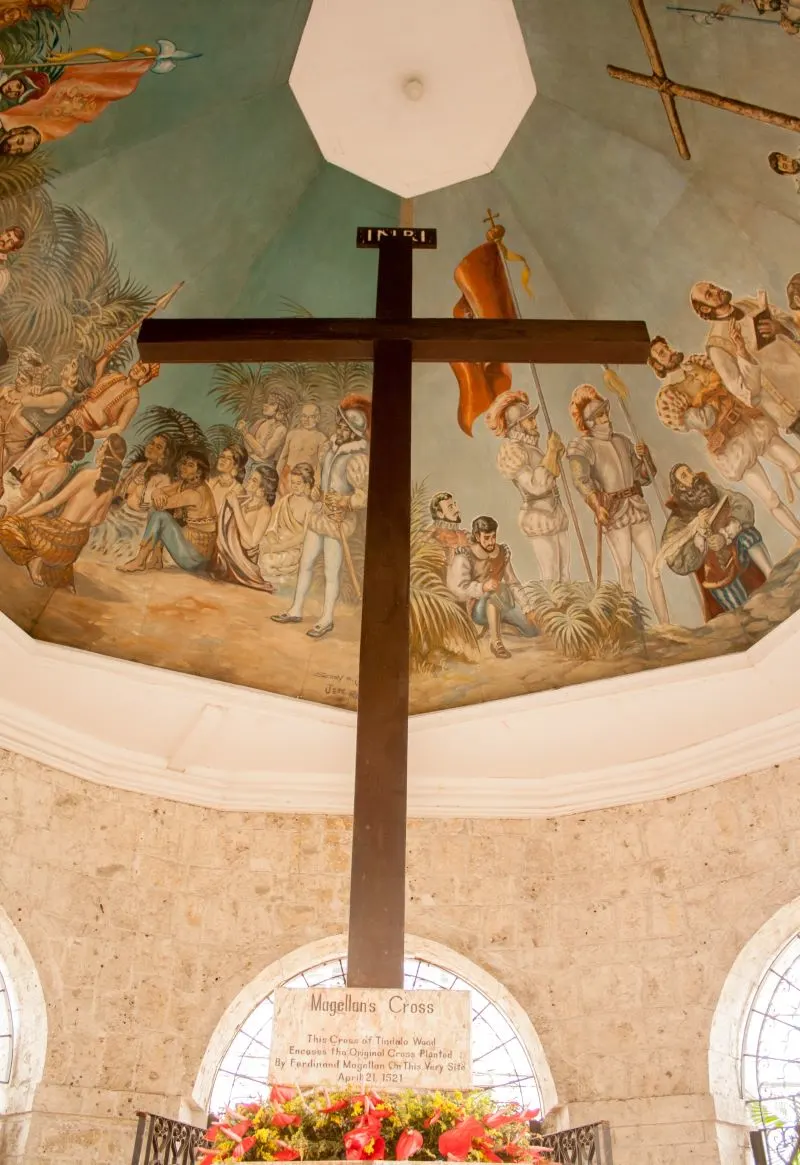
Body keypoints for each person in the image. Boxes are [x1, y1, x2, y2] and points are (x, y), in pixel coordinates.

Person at [650, 336, 800, 540]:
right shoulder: (669, 397)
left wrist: (710, 392)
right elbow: (704, 420)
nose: (667, 352)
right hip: (729, 445)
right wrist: (714, 392)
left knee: (795, 463)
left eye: (665, 347)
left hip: (750, 423)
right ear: (657, 365)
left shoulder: (697, 362)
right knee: (770, 498)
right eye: (661, 353)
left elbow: (728, 382)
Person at [567, 383, 670, 624]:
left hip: (636, 505)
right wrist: (596, 505)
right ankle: (636, 627)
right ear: (589, 422)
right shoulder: (583, 446)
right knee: (625, 569)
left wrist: (645, 459)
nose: (605, 417)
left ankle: (665, 623)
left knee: (654, 566)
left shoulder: (623, 440)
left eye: (604, 412)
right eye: (598, 415)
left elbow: (642, 476)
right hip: (613, 511)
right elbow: (581, 480)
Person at [271, 394, 370, 639]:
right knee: (306, 563)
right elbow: (322, 475)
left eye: (345, 426)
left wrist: (344, 501)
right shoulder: (331, 447)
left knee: (331, 571)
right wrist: (317, 490)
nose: (340, 428)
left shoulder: (358, 458)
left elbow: (363, 496)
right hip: (320, 514)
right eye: (340, 424)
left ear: (353, 431)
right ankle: (295, 609)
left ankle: (326, 619)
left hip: (337, 519)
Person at [0, 433, 125, 589]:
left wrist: (20, 516)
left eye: (102, 448)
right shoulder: (110, 491)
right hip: (73, 547)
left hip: (55, 536)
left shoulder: (86, 475)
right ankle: (53, 567)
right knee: (54, 560)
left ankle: (33, 559)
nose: (98, 451)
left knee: (6, 527)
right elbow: (96, 521)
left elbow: (52, 503)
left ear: (106, 455)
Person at [660, 464, 772, 622]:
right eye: (684, 476)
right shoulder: (678, 518)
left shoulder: (711, 490)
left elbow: (742, 503)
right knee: (745, 614)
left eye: (689, 471)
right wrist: (698, 536)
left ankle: (772, 577)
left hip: (736, 551)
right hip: (715, 571)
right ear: (680, 486)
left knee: (748, 535)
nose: (691, 476)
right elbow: (674, 558)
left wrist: (725, 534)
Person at [690, 280, 800, 438]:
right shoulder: (717, 344)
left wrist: (779, 327)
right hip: (790, 404)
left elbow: (793, 327)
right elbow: (744, 391)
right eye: (709, 294)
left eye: (712, 287)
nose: (716, 290)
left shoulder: (748, 303)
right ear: (706, 308)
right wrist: (742, 352)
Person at [485, 388, 569, 582]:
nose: (534, 422)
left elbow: (552, 474)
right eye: (529, 419)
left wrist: (555, 453)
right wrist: (550, 452)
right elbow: (535, 486)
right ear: (517, 425)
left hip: (555, 510)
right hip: (537, 514)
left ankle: (566, 611)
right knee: (551, 575)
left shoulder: (532, 447)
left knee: (564, 572)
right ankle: (551, 611)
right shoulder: (513, 450)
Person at [446, 515, 538, 660]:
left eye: (493, 537)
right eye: (487, 537)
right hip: (477, 608)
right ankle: (496, 643)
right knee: (494, 593)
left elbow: (512, 582)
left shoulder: (502, 553)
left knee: (532, 631)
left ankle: (501, 624)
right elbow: (458, 588)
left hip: (502, 603)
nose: (491, 542)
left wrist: (528, 608)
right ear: (477, 536)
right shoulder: (465, 556)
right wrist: (482, 587)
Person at [118, 450, 216, 574]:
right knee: (156, 510)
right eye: (184, 463)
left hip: (196, 559)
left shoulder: (195, 493)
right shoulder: (185, 484)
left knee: (161, 516)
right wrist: (158, 493)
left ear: (199, 472)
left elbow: (163, 504)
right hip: (189, 548)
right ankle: (156, 559)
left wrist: (159, 497)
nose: (184, 467)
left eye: (190, 465)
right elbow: (158, 492)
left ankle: (140, 560)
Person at [89, 431, 174, 558]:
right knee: (94, 526)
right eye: (151, 443)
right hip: (120, 512)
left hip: (137, 522)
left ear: (165, 455)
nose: (152, 447)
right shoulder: (137, 466)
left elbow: (155, 508)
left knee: (113, 541)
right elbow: (120, 487)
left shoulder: (163, 479)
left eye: (158, 447)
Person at [214, 464, 277, 590]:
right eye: (251, 477)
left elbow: (250, 543)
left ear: (263, 489)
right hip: (229, 553)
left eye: (254, 480)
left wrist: (236, 506)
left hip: (244, 560)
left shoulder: (264, 510)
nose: (248, 480)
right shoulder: (246, 500)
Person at [9, 427, 94, 516]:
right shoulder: (53, 459)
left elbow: (35, 502)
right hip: (13, 495)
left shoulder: (59, 471)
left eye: (65, 439)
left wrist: (14, 516)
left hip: (16, 506)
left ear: (69, 448)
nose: (60, 439)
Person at [258, 461, 315, 587]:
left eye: (298, 483)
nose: (294, 486)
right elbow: (272, 525)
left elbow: (303, 537)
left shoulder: (310, 506)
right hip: (276, 541)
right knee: (257, 548)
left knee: (268, 561)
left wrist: (280, 547)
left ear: (307, 484)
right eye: (293, 482)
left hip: (293, 548)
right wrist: (273, 540)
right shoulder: (284, 500)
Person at [276, 402, 327, 492]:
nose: (306, 420)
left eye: (311, 416)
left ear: (318, 418)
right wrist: (278, 478)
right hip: (287, 479)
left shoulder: (321, 438)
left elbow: (320, 465)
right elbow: (283, 458)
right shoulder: (292, 434)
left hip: (306, 482)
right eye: (304, 416)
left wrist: (316, 485)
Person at [237, 392, 288, 468]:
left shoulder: (281, 429)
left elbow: (264, 454)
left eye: (272, 404)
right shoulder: (259, 422)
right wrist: (244, 431)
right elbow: (248, 448)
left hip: (263, 468)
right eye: (266, 402)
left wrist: (245, 433)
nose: (265, 405)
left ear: (279, 408)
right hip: (248, 463)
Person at [426, 491, 469, 561]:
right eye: (450, 507)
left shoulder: (463, 535)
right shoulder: (430, 535)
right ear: (440, 514)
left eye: (455, 505)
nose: (457, 509)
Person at [208, 444, 247, 513]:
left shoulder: (238, 490)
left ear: (236, 465)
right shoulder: (211, 481)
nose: (223, 460)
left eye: (228, 458)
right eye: (222, 456)